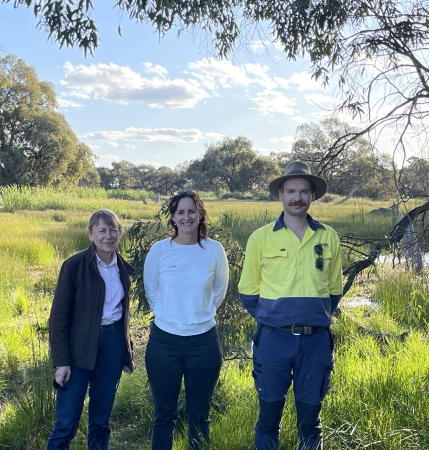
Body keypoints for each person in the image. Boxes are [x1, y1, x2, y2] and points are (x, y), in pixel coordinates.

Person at [238, 161, 343, 450]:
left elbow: (334, 291)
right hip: (273, 341)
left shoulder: (328, 236)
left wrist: (311, 316)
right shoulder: (260, 238)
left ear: (312, 196)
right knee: (268, 418)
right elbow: (247, 291)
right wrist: (275, 318)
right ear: (281, 195)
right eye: (291, 191)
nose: (298, 198)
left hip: (316, 342)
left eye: (304, 192)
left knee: (310, 421)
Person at [143, 189, 229, 450]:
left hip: (203, 343)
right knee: (164, 415)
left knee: (199, 414)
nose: (186, 217)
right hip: (164, 343)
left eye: (192, 210)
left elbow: (219, 292)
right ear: (173, 217)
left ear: (200, 214)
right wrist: (174, 317)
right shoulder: (159, 251)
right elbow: (152, 293)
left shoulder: (214, 250)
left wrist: (197, 316)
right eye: (180, 212)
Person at [47, 209, 135, 450]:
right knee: (66, 422)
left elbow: (123, 315)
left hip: (113, 345)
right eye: (102, 230)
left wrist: (126, 350)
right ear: (91, 234)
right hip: (78, 349)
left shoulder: (123, 270)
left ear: (120, 234)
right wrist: (62, 361)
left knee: (100, 420)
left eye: (113, 230)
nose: (108, 236)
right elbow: (58, 318)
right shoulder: (74, 266)